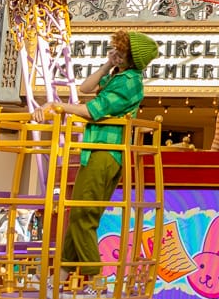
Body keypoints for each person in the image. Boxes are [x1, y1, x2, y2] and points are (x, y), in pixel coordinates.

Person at [43, 30, 159, 280]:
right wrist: (108, 64)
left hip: (106, 153)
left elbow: (93, 110)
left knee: (83, 215)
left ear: (131, 56)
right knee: (81, 214)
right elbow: (86, 88)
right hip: (97, 152)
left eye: (121, 50)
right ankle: (62, 274)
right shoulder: (119, 76)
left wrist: (59, 106)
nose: (116, 52)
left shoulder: (130, 82)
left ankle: (94, 277)